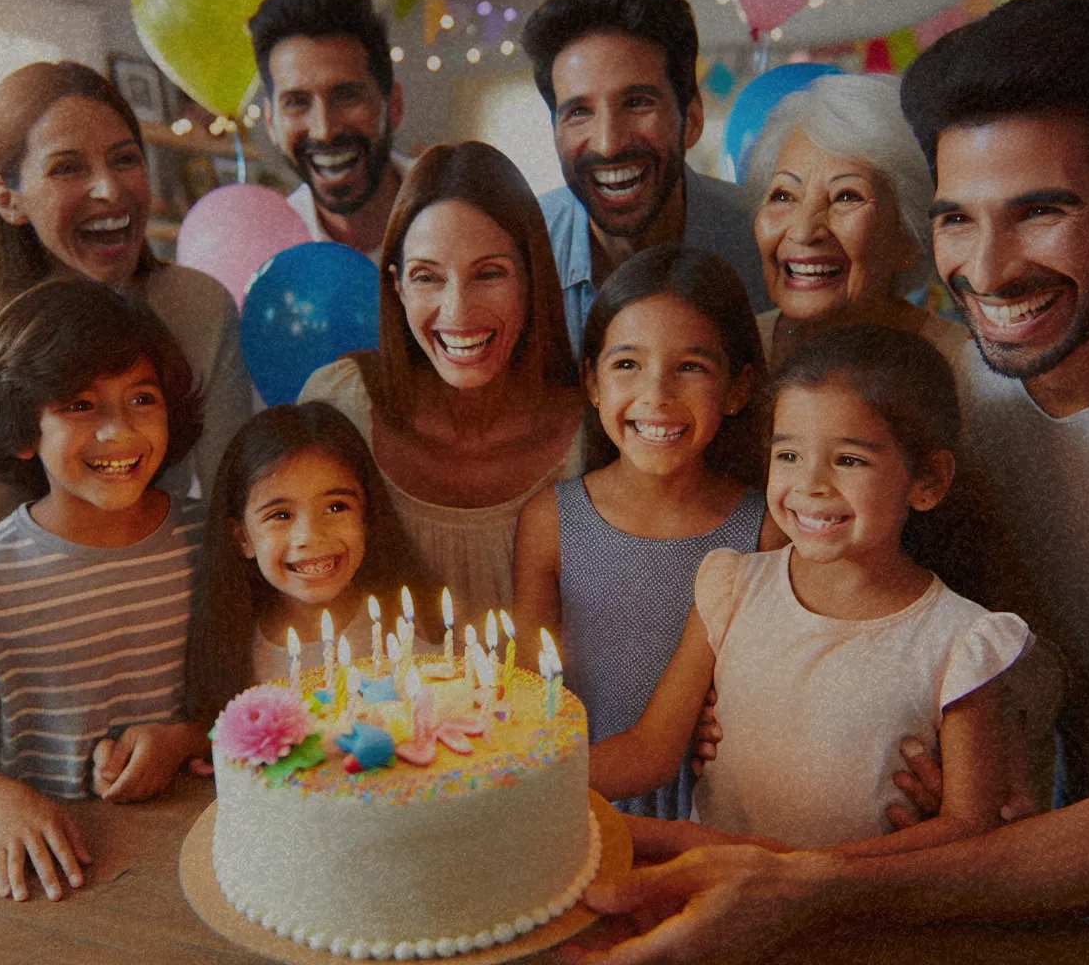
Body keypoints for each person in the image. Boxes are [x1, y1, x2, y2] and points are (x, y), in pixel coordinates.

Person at [564, 0, 1089, 965]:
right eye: (957, 220)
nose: (990, 268)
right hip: (1051, 857)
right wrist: (960, 735)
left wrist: (813, 886)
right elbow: (968, 616)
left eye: (1041, 212)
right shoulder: (962, 394)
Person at [589, 325, 1028, 858]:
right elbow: (649, 751)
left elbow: (968, 825)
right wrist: (516, 786)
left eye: (848, 460)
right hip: (714, 901)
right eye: (789, 456)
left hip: (862, 920)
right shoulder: (732, 589)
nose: (811, 485)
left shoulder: (962, 641)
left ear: (928, 480)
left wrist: (812, 879)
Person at [0, 279, 210, 903]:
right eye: (80, 406)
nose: (118, 432)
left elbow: (273, 697)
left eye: (141, 398)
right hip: (65, 879)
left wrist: (186, 738)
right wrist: (2, 802)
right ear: (23, 429)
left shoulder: (219, 544)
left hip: (208, 857)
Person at [512, 245, 778, 823]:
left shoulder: (765, 531)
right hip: (570, 808)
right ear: (592, 382)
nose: (657, 394)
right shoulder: (550, 522)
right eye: (627, 364)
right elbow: (529, 700)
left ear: (737, 389)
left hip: (718, 817)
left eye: (691, 367)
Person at [0, 61, 250, 531]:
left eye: (125, 159)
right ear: (8, 199)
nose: (108, 189)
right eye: (67, 168)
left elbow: (232, 511)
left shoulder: (198, 305)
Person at [298, 141, 585, 623]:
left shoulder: (594, 431)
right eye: (427, 277)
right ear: (397, 287)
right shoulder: (338, 403)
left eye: (489, 274)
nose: (458, 312)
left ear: (533, 282)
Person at [522, 0, 771, 354]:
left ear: (692, 120)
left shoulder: (767, 245)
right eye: (579, 112)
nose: (608, 144)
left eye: (637, 102)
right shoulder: (518, 252)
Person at [185, 401, 443, 721]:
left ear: (367, 516)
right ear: (242, 538)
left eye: (336, 507)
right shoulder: (232, 654)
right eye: (280, 515)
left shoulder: (414, 626)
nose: (310, 535)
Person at [745, 74, 968, 371]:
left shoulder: (966, 373)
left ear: (909, 237)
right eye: (783, 196)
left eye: (846, 197)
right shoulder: (728, 352)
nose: (804, 231)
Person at [249, 0, 409, 257]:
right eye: (296, 102)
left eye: (347, 96)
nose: (324, 129)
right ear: (271, 122)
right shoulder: (269, 255)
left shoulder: (464, 214)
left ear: (393, 105)